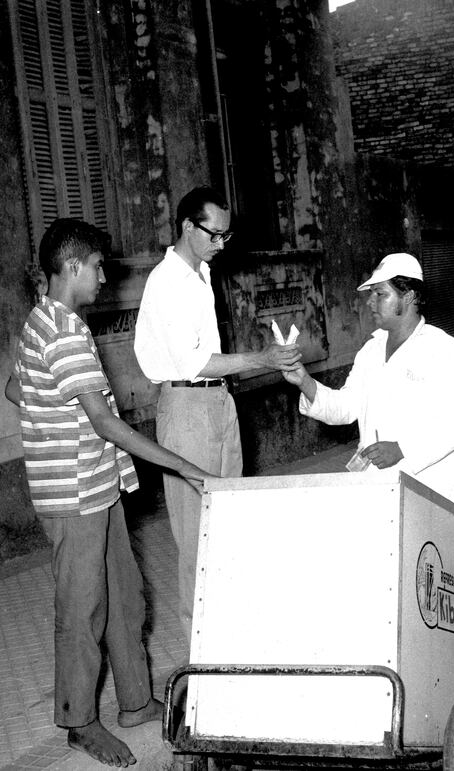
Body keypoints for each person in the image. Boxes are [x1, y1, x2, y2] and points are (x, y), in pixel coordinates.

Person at [5, 218, 216, 767]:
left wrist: (50, 425)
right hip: (74, 496)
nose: (104, 277)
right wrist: (186, 467)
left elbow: (15, 387)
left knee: (126, 600)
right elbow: (105, 423)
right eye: (98, 266)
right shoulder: (65, 332)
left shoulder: (41, 321)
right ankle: (78, 722)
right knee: (81, 611)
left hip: (96, 486)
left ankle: (136, 702)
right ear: (72, 266)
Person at [133, 186, 301, 648]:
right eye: (215, 235)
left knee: (228, 525)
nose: (222, 244)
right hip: (187, 410)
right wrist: (263, 359)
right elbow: (193, 363)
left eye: (227, 236)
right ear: (188, 226)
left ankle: (231, 638)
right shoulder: (167, 282)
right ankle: (201, 656)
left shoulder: (201, 274)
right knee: (197, 541)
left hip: (218, 403)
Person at [283, 252, 454, 504]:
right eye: (371, 294)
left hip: (428, 490)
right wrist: (304, 380)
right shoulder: (371, 350)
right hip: (376, 487)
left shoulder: (443, 349)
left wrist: (403, 450)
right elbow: (346, 407)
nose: (370, 302)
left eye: (380, 294)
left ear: (409, 297)